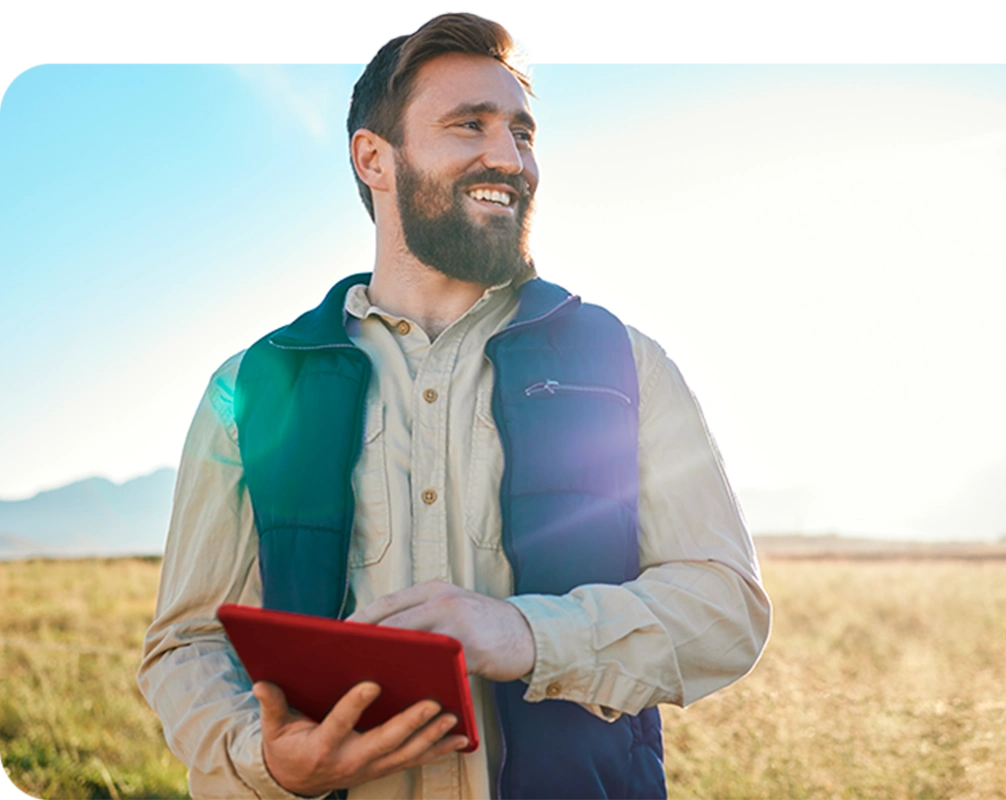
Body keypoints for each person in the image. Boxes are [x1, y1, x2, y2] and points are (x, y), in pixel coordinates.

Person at [139, 11, 770, 800]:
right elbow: (186, 643)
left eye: (523, 133)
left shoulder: (626, 362)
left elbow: (727, 608)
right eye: (468, 125)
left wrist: (528, 634)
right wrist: (263, 761)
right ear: (375, 158)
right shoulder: (255, 385)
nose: (507, 157)